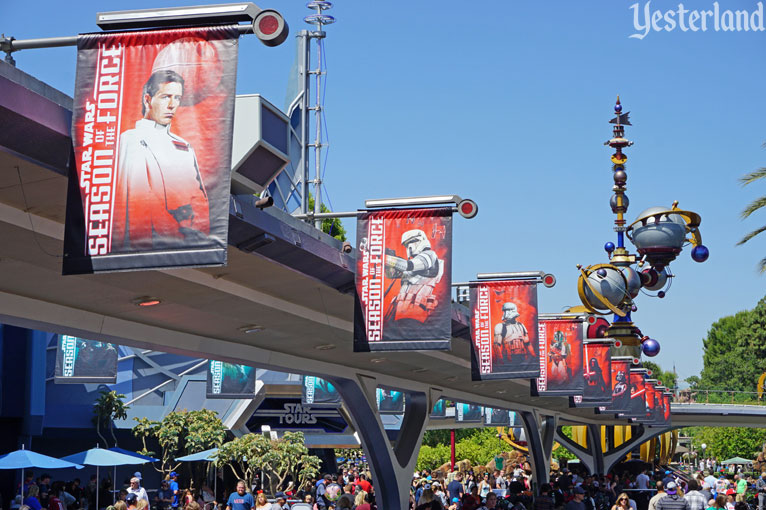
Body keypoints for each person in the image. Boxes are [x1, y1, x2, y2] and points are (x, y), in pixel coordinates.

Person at [113, 69, 211, 252]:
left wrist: (195, 230)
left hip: (189, 241)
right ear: (148, 100)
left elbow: (199, 197)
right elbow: (139, 199)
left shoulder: (184, 146)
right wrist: (177, 231)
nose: (173, 105)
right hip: (154, 241)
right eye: (166, 97)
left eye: (178, 98)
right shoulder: (131, 139)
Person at [384, 229, 444, 324]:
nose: (409, 247)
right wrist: (385, 258)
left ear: (420, 240)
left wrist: (385, 258)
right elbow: (391, 274)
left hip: (415, 310)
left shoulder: (429, 255)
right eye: (407, 245)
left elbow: (409, 265)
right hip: (398, 309)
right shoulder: (413, 266)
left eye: (411, 242)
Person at [493, 302, 533, 367]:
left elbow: (528, 343)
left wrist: (533, 357)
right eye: (505, 311)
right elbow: (496, 345)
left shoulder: (521, 325)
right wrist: (501, 361)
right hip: (508, 359)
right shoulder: (500, 326)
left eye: (509, 310)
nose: (507, 313)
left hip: (522, 358)